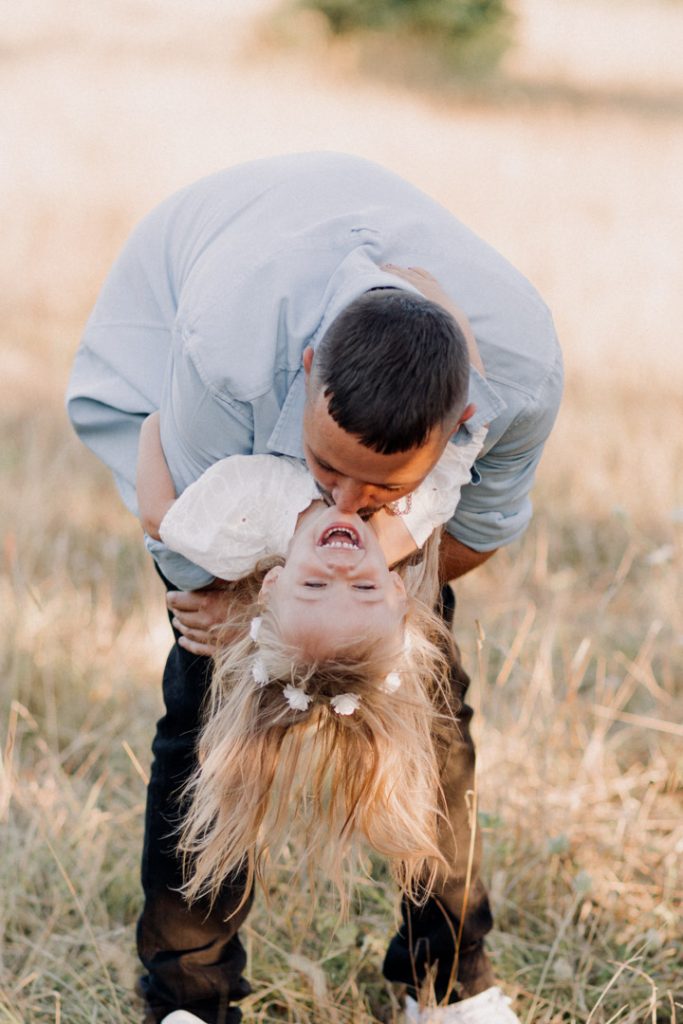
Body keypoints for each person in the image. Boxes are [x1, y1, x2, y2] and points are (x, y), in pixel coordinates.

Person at [66, 152, 562, 1024]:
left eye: (379, 488)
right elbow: (170, 504)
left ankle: (446, 977)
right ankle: (188, 994)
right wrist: (228, 600)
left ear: (457, 433)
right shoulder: (228, 352)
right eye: (326, 469)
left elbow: (476, 535)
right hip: (193, 312)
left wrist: (383, 615)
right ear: (305, 369)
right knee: (204, 700)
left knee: (431, 703)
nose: (339, 507)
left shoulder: (517, 380)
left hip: (369, 410)